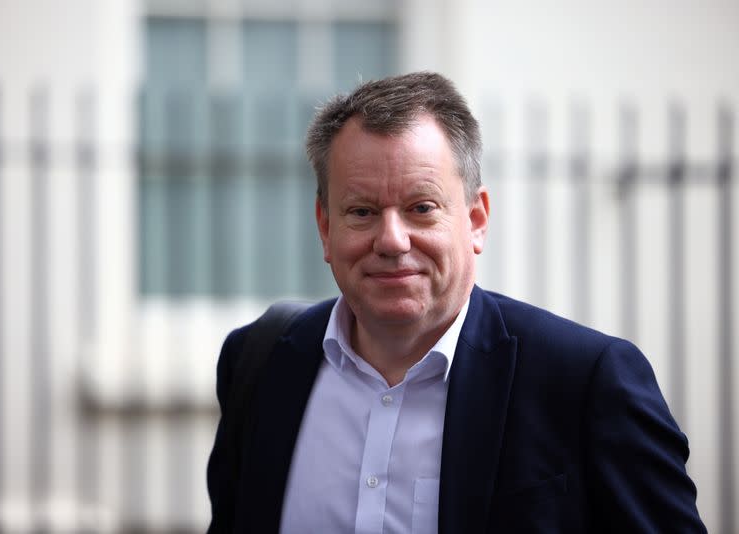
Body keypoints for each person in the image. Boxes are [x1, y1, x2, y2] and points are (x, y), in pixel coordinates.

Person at [206, 72, 705, 533]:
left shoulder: (588, 381)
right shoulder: (261, 361)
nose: (392, 240)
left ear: (476, 219)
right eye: (361, 211)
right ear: (325, 227)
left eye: (421, 208)